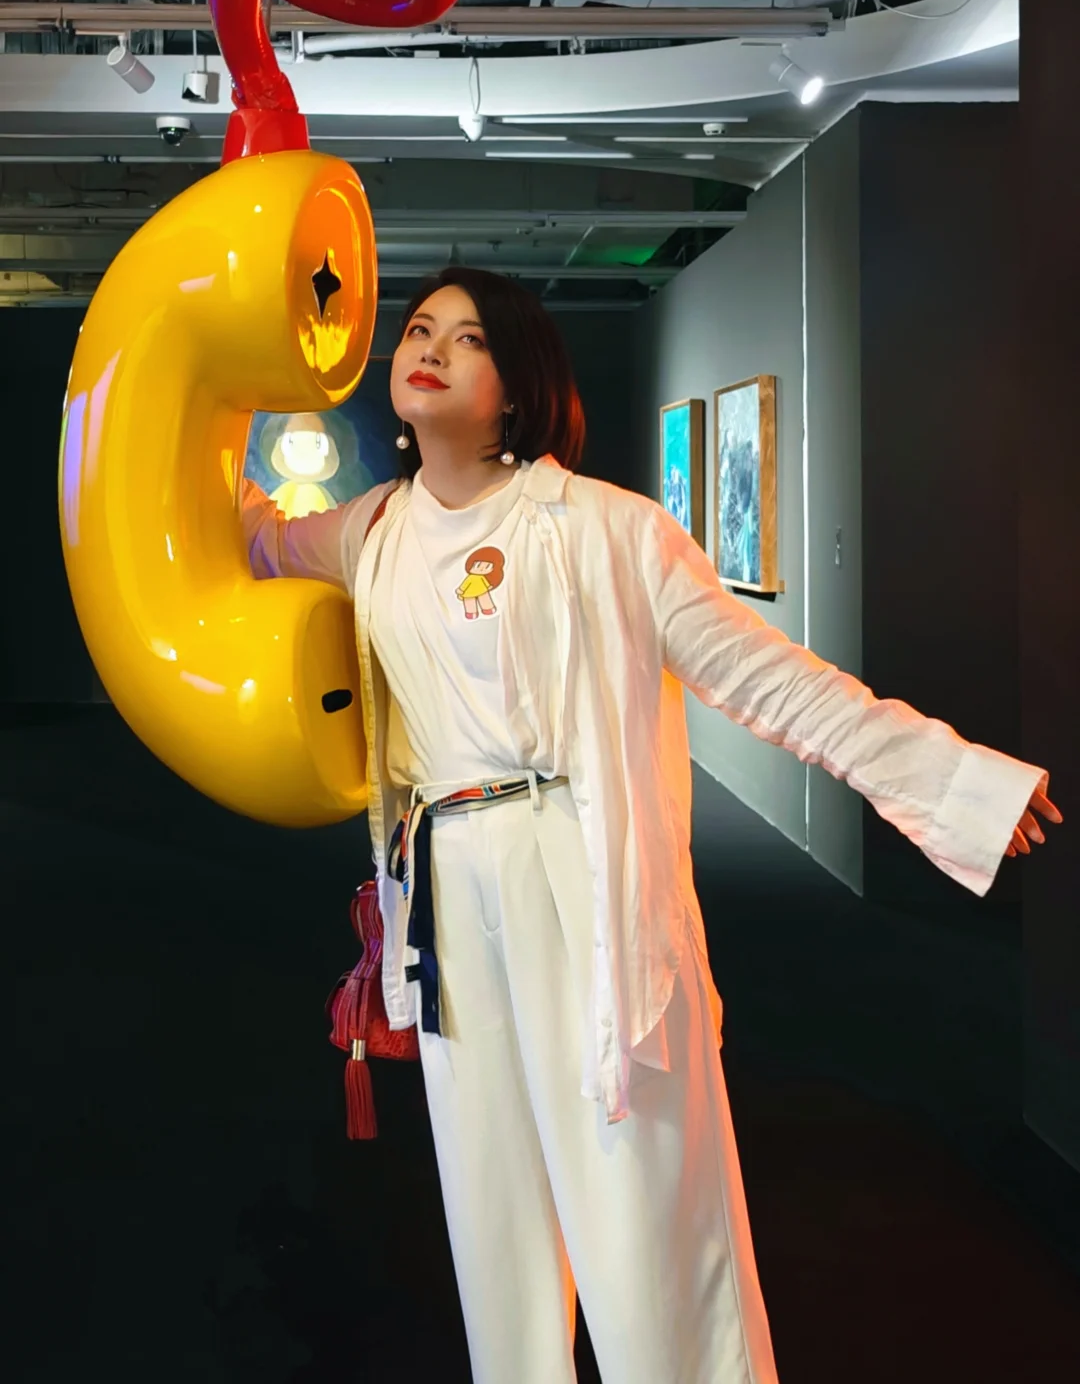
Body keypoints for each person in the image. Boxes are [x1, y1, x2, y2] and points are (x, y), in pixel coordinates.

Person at [242, 265, 1060, 1384]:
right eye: (421, 328)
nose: (429, 347)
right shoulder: (369, 530)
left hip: (581, 878)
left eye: (469, 338)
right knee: (492, 1212)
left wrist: (952, 780)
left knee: (644, 1214)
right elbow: (254, 539)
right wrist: (188, 395)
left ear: (518, 384)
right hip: (445, 888)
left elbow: (771, 681)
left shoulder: (609, 529)